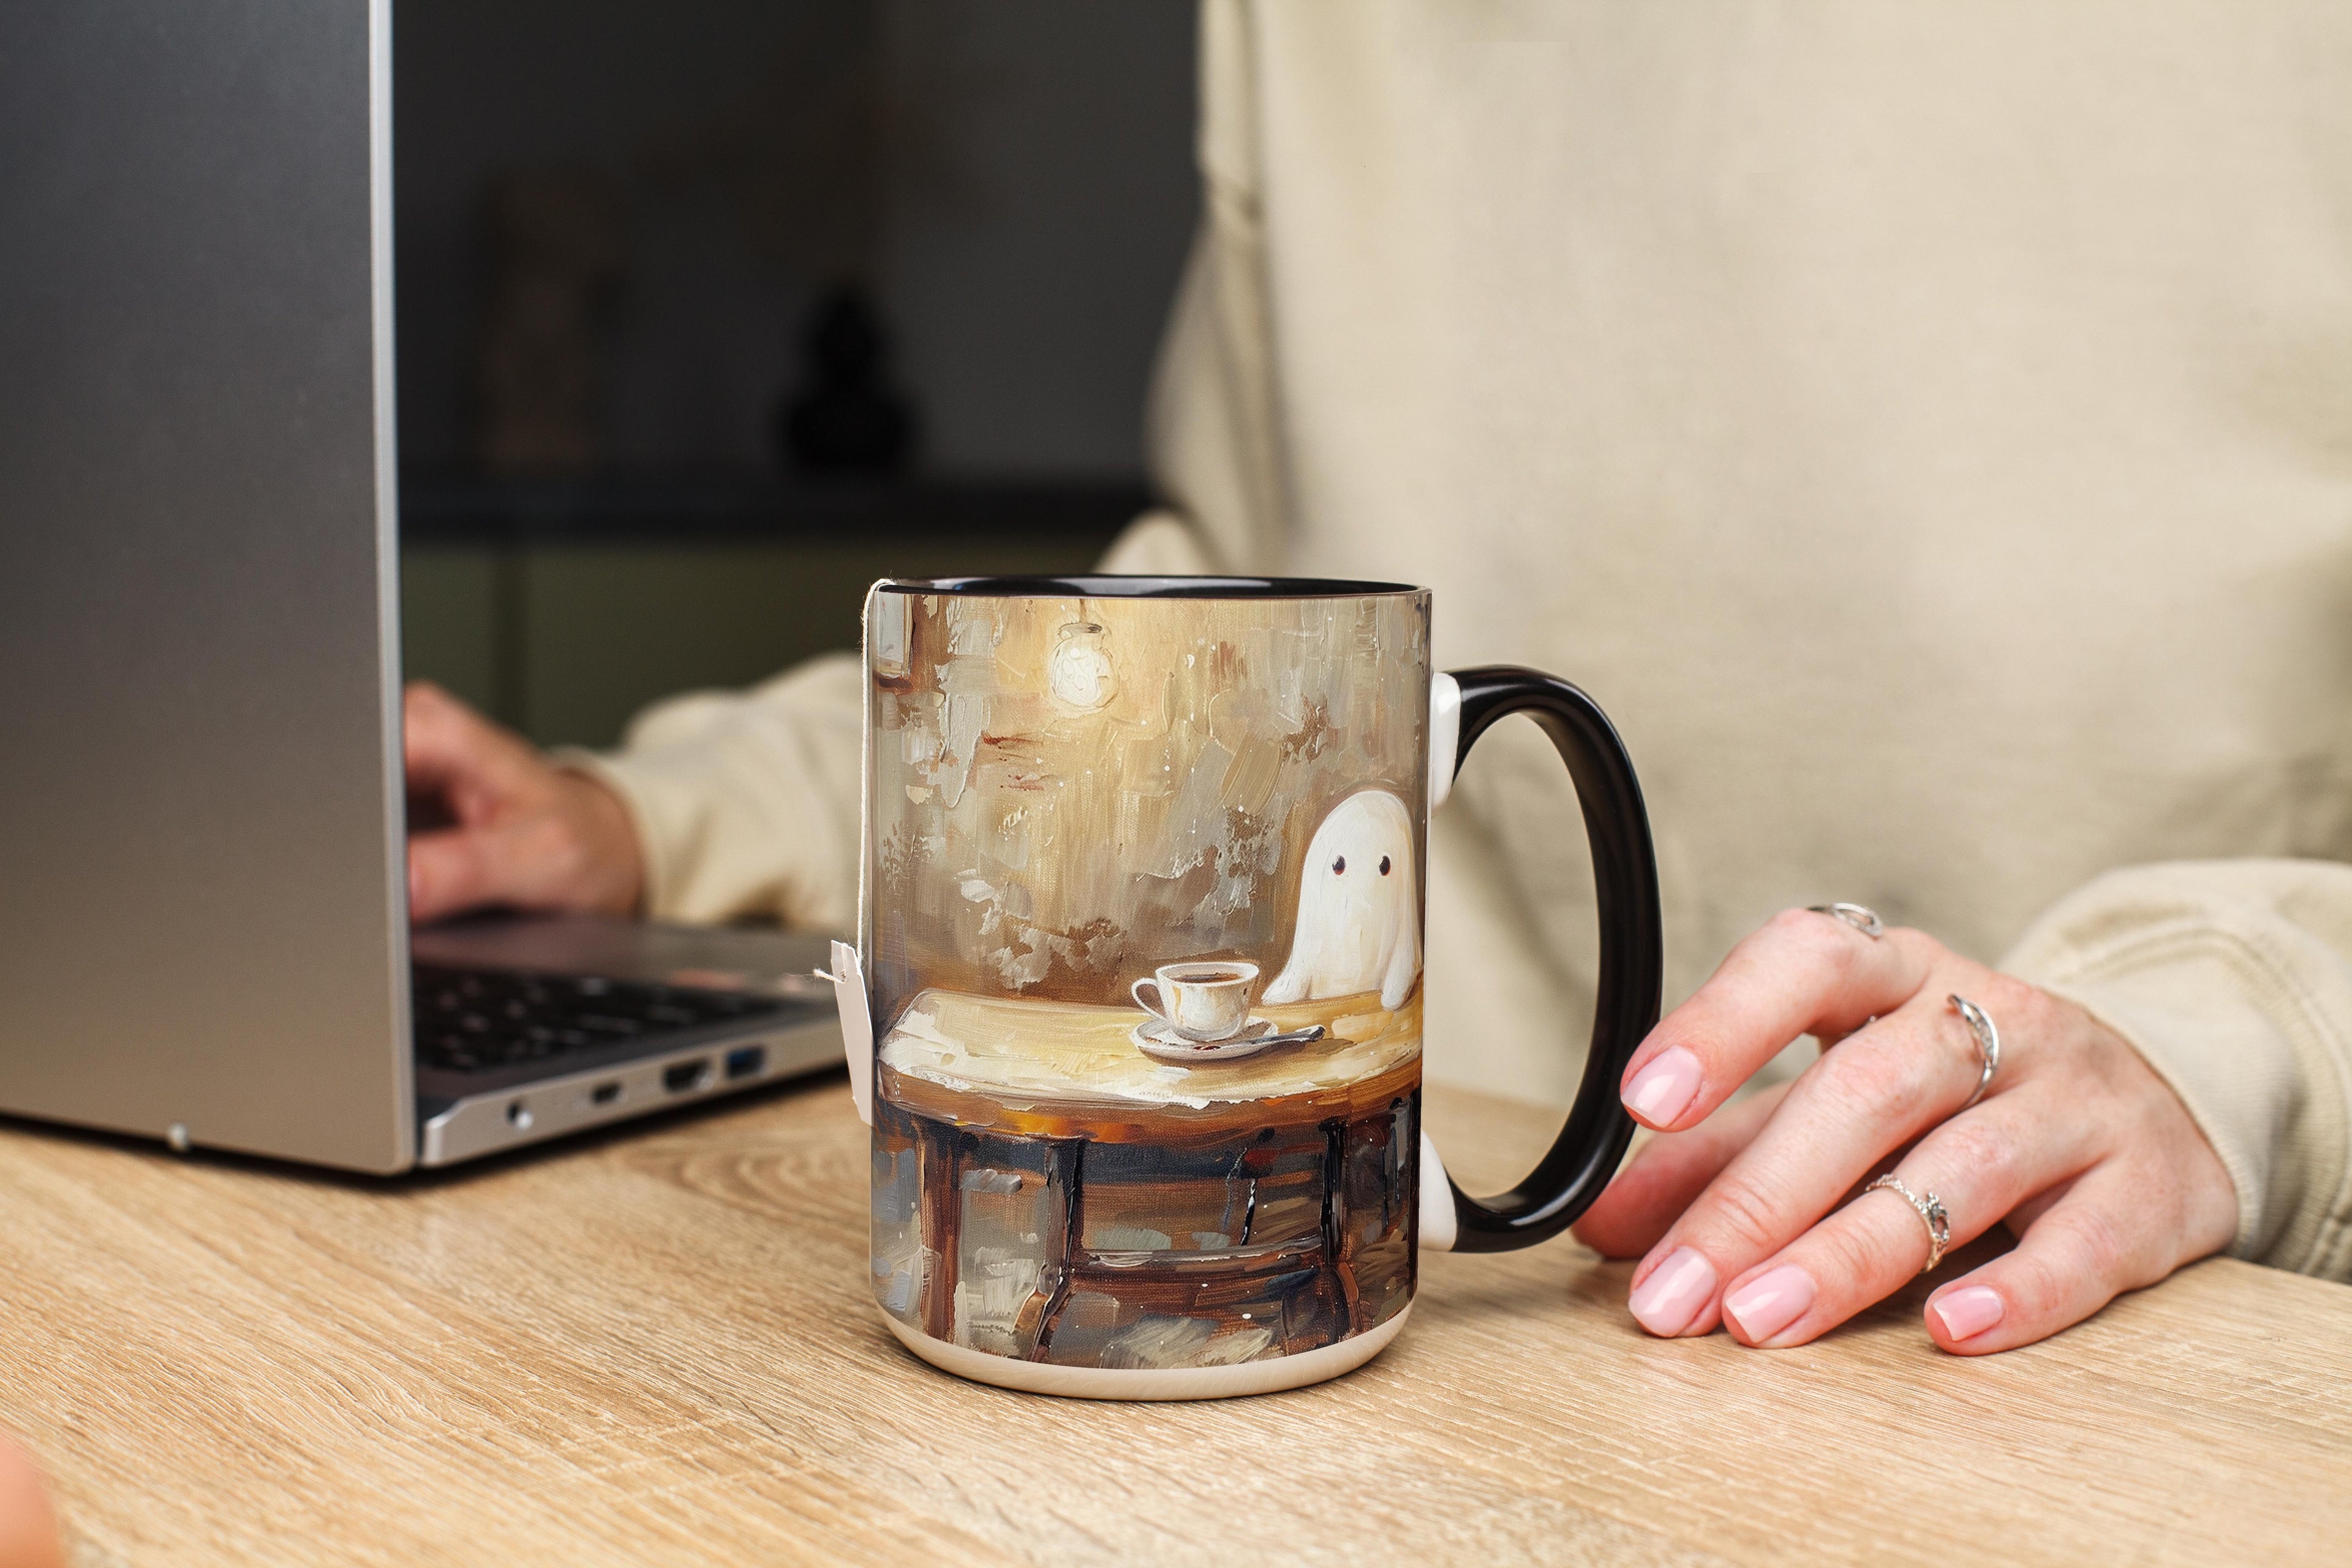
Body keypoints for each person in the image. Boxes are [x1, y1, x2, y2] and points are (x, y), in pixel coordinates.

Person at [406, 2, 2352, 1352]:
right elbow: (1207, 618)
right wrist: (659, 818)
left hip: (2094, 1348)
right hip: (1474, 1328)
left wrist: (2243, 1042)